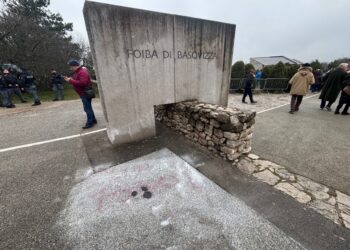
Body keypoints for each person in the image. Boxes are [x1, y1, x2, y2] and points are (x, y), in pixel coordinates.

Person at [64, 59, 97, 129]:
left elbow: (83, 83)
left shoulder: (82, 72)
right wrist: (69, 80)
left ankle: (90, 123)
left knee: (87, 108)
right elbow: (76, 81)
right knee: (88, 107)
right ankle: (93, 120)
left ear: (75, 66)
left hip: (85, 93)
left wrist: (71, 80)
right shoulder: (77, 72)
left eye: (71, 67)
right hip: (83, 93)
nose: (71, 68)